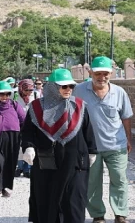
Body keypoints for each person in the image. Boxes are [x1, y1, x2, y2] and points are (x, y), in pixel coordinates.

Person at [21, 68, 97, 223]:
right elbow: (28, 132)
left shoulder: (79, 107)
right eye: (64, 86)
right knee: (47, 200)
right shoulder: (36, 108)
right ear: (53, 87)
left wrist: (92, 151)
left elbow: (88, 131)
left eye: (71, 86)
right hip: (46, 164)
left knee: (73, 201)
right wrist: (28, 147)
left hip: (75, 163)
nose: (68, 89)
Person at [72, 56, 133, 223]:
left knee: (120, 179)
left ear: (111, 74)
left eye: (105, 74)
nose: (102, 77)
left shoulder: (119, 93)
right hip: (90, 147)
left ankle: (120, 214)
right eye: (98, 74)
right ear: (90, 72)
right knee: (92, 183)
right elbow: (71, 115)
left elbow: (126, 117)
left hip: (116, 145)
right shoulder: (79, 90)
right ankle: (97, 215)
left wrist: (128, 139)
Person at [14, 79, 37, 178]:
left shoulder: (35, 96)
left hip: (31, 125)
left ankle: (28, 168)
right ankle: (19, 167)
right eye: (26, 90)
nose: (28, 92)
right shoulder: (14, 95)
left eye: (30, 90)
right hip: (17, 124)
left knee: (29, 145)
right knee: (18, 147)